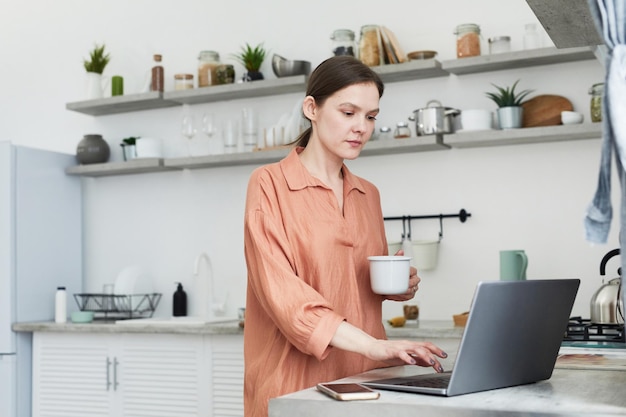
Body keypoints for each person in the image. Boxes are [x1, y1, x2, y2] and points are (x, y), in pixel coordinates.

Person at [243, 56, 447, 417]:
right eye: (348, 112)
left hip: (366, 382)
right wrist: (374, 346)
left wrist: (399, 286)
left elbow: (356, 283)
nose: (361, 128)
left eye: (370, 117)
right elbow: (287, 299)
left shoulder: (368, 194)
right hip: (295, 384)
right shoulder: (269, 184)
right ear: (312, 108)